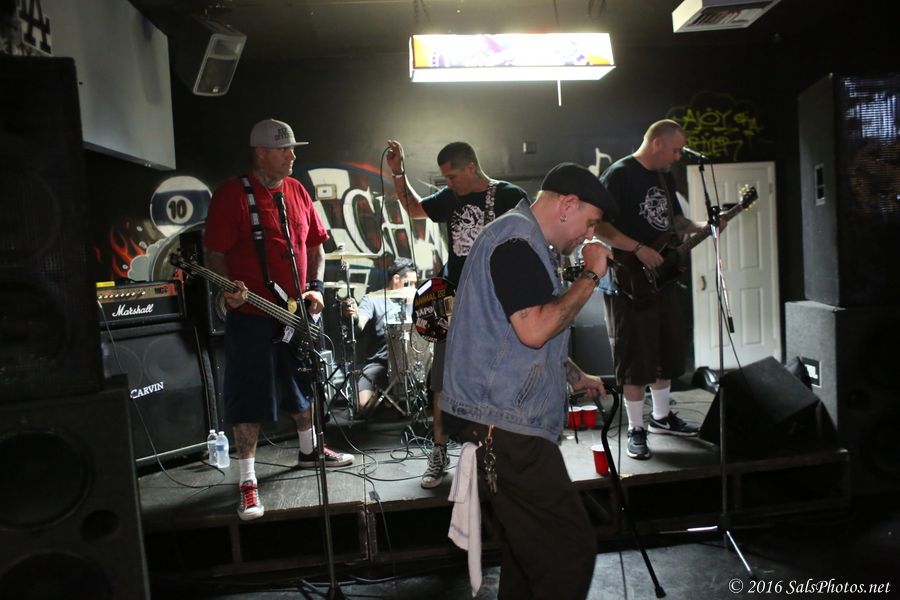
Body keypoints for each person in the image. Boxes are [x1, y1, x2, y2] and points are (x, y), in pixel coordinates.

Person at [441, 162, 616, 599]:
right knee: (568, 551)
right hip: (505, 426)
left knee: (527, 558)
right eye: (590, 222)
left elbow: (515, 334)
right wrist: (591, 275)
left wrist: (572, 374)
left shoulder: (524, 241)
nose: (588, 235)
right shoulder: (516, 242)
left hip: (504, 420)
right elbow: (535, 329)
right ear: (567, 204)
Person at [204, 118, 354, 521]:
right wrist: (227, 289)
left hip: (296, 312)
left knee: (302, 381)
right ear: (260, 153)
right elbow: (214, 254)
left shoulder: (298, 190)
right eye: (284, 149)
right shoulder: (232, 194)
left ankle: (309, 450)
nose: (292, 156)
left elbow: (316, 246)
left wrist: (316, 288)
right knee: (248, 394)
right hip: (252, 313)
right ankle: (247, 481)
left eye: (292, 149)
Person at [386, 139, 528, 489]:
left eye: (452, 176)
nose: (448, 184)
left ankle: (494, 453)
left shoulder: (509, 196)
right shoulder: (450, 198)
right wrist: (398, 173)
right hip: (453, 302)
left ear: (471, 167)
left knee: (495, 380)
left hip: (496, 304)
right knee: (443, 379)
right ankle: (438, 452)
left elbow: (531, 244)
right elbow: (414, 209)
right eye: (445, 178)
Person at [596, 119, 720, 460]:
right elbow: (599, 225)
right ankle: (637, 427)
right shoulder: (619, 175)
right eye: (676, 150)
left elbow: (675, 223)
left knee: (666, 349)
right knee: (635, 356)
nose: (678, 157)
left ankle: (662, 418)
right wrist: (637, 248)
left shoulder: (665, 178)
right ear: (657, 144)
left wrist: (704, 225)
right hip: (627, 281)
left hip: (662, 279)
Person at [341, 257, 418, 415]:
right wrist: (353, 317)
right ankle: (387, 400)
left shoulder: (416, 299)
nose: (413, 288)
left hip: (413, 364)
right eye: (409, 283)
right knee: (364, 406)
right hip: (380, 363)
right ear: (396, 279)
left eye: (415, 284)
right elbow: (360, 324)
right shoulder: (372, 299)